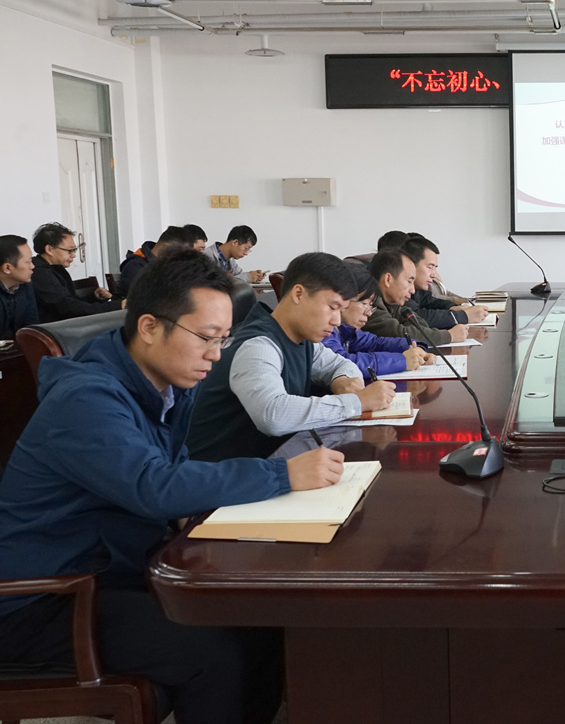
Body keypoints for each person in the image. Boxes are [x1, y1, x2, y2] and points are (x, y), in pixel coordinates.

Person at [0, 249, 345, 724]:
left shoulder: (165, 383)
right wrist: (282, 475)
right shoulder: (85, 398)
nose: (215, 354)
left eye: (223, 339)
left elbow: (175, 465)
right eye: (206, 337)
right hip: (41, 601)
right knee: (213, 650)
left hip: (109, 570)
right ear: (148, 327)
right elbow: (153, 484)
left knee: (259, 617)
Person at [187, 252, 396, 463]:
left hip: (271, 463)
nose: (336, 321)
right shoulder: (258, 345)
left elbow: (340, 364)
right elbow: (273, 415)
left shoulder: (302, 339)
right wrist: (356, 402)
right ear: (298, 294)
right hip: (222, 473)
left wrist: (341, 380)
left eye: (341, 310)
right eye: (332, 308)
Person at [320, 261, 435, 375]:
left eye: (370, 305)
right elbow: (344, 363)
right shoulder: (323, 331)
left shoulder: (345, 330)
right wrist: (402, 361)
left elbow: (375, 343)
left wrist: (415, 347)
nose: (369, 313)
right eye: (364, 303)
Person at [363, 249, 464, 346]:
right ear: (388, 279)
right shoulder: (368, 305)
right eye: (409, 281)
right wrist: (449, 336)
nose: (413, 290)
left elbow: (420, 325)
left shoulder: (392, 304)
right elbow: (401, 335)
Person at [30, 221, 125, 321]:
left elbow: (71, 303)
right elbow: (68, 309)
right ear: (49, 249)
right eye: (69, 250)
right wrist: (116, 306)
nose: (74, 255)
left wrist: (93, 297)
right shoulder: (40, 273)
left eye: (74, 250)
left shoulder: (57, 269)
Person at [402, 236, 489, 327]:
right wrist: (463, 316)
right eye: (430, 267)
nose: (433, 275)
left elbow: (430, 302)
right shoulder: (400, 289)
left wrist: (452, 307)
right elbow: (417, 316)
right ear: (411, 264)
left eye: (435, 268)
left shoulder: (418, 289)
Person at [117, 225, 193, 295]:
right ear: (165, 247)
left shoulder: (166, 266)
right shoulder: (135, 267)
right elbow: (146, 297)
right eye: (178, 254)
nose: (179, 259)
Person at [0, 234, 39, 339]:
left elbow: (32, 325)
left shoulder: (25, 284)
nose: (33, 266)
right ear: (7, 268)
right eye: (28, 262)